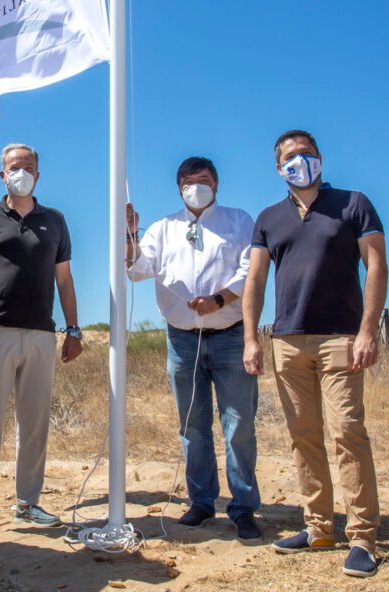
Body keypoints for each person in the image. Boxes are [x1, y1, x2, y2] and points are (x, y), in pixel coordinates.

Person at [242, 130, 388, 578]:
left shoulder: (353, 203)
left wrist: (368, 330)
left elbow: (377, 264)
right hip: (287, 340)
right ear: (277, 167)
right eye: (289, 156)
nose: (299, 161)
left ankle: (362, 536)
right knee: (303, 437)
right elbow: (255, 281)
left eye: (306, 153)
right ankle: (318, 527)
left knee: (348, 432)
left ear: (320, 159)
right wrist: (252, 338)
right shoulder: (269, 217)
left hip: (341, 337)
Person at [125, 156, 262, 541]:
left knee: (239, 425)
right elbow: (137, 270)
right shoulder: (164, 228)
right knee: (192, 426)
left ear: (216, 184)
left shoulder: (239, 221)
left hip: (230, 334)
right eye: (188, 181)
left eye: (202, 179)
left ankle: (244, 507)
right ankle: (201, 502)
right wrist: (130, 235)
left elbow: (250, 269)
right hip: (182, 339)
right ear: (179, 187)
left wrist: (218, 300)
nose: (195, 186)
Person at [0, 143, 83, 546]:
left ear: (38, 175)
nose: (21, 172)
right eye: (14, 167)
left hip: (42, 334)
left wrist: (73, 329)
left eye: (28, 167)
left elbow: (63, 279)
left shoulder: (55, 221)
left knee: (35, 425)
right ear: (2, 174)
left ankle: (28, 502)